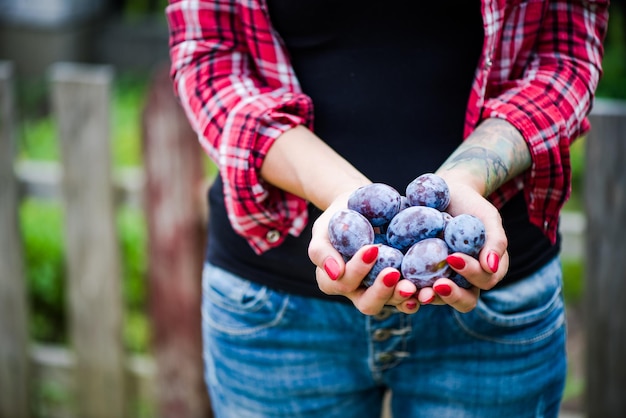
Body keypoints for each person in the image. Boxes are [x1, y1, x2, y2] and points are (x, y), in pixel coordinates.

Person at [166, 0, 609, 417]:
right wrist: (347, 198)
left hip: (493, 309)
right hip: (275, 310)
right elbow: (210, 60)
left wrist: (464, 182)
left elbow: (564, 55)